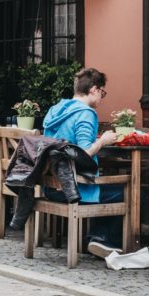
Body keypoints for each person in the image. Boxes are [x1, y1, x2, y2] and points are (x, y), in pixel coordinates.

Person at [42, 67, 120, 258]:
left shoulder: (55, 110)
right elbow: (84, 154)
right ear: (93, 90)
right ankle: (101, 239)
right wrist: (103, 141)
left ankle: (98, 237)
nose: (102, 97)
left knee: (112, 189)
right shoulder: (86, 113)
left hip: (52, 187)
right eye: (102, 92)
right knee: (132, 191)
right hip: (74, 189)